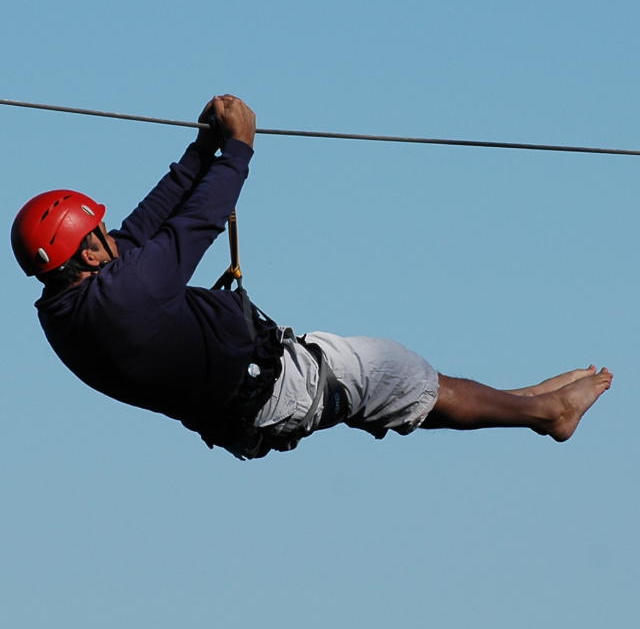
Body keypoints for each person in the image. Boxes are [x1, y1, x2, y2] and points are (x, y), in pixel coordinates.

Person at [11, 94, 613, 460]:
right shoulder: (126, 296)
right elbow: (195, 222)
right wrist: (240, 148)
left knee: (397, 380)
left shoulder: (66, 309)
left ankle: (528, 403)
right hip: (279, 387)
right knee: (400, 374)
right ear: (87, 257)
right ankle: (546, 415)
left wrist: (200, 149)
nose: (109, 234)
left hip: (256, 395)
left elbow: (143, 231)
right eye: (97, 233)